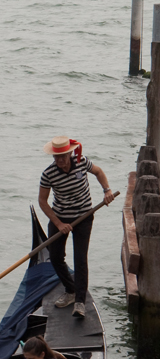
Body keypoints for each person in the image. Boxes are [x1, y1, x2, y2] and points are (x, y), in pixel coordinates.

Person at [38, 136, 118, 318]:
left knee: (80, 258)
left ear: (69, 154)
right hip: (60, 217)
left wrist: (107, 190)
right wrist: (59, 224)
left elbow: (98, 172)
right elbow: (42, 201)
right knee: (55, 256)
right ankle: (71, 290)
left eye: (63, 157)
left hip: (84, 216)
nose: (60, 161)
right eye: (56, 157)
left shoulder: (81, 162)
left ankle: (80, 301)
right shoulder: (48, 174)